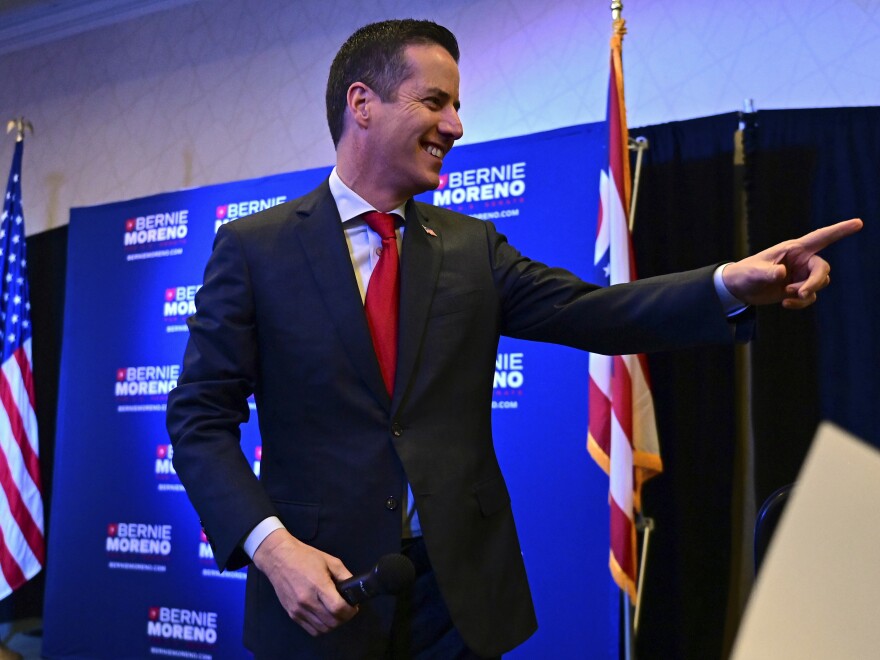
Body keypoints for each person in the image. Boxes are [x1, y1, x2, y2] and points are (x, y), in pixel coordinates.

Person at [165, 19, 862, 659]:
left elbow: (598, 312)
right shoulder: (255, 250)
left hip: (459, 601)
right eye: (435, 102)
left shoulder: (470, 248)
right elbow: (198, 420)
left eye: (457, 106)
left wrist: (725, 285)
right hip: (321, 595)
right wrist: (272, 548)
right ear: (362, 103)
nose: (457, 125)